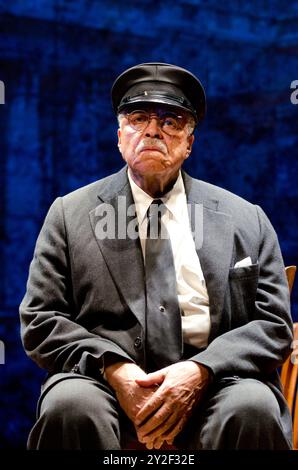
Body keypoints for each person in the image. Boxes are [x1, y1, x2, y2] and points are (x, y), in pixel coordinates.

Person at [20, 62, 293, 450]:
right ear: (119, 136)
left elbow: (274, 326)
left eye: (170, 120)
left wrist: (201, 370)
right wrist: (115, 369)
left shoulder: (245, 218)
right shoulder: (69, 214)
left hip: (216, 388)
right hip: (103, 389)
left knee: (252, 405)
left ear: (189, 142)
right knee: (70, 405)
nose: (152, 130)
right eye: (138, 118)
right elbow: (40, 320)